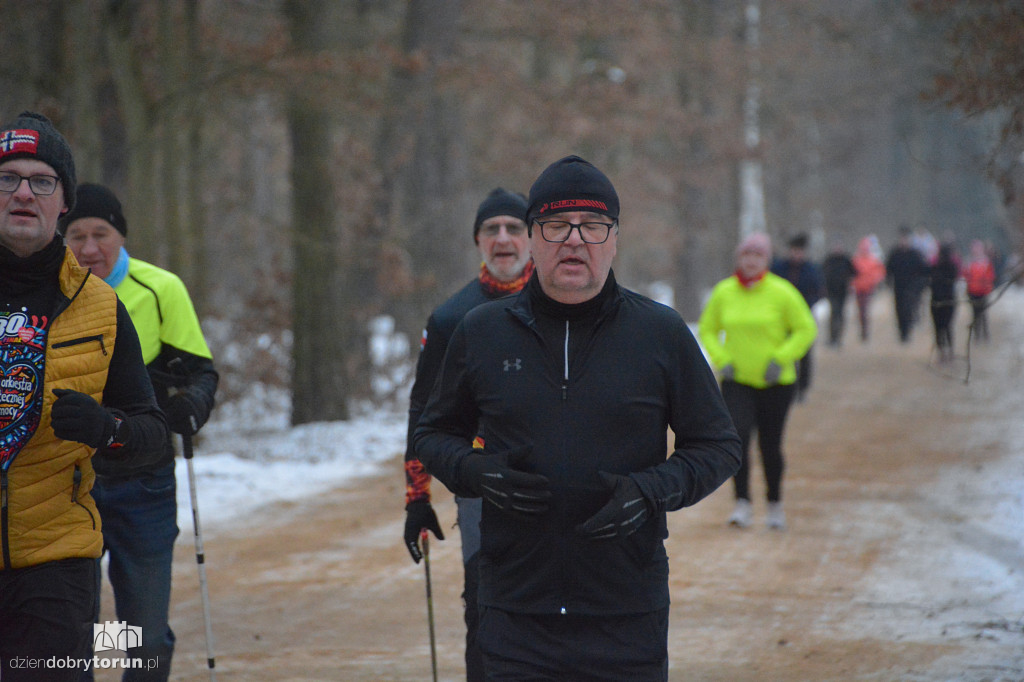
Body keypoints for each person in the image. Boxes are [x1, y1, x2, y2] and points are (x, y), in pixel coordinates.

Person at [414, 155, 741, 680]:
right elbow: (432, 434)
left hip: (626, 609)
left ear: (614, 239)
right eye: (555, 225)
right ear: (533, 240)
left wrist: (652, 489)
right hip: (514, 610)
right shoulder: (482, 331)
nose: (574, 240)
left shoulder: (659, 333)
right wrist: (475, 473)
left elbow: (718, 445)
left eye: (592, 226)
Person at [0, 111, 168, 681]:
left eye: (41, 180)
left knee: (110, 646)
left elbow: (151, 436)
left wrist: (106, 429)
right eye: (8, 178)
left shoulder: (102, 306)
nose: (23, 192)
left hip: (55, 563)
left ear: (62, 201)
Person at [60, 184, 218, 682]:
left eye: (100, 234)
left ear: (121, 236)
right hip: (65, 483)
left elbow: (201, 371)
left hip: (142, 480)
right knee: (66, 626)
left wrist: (191, 403)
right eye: (76, 235)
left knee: (143, 630)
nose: (89, 249)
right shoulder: (48, 292)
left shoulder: (159, 288)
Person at [402, 187, 532, 682]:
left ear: (533, 237)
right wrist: (417, 495)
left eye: (514, 228)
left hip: (566, 483)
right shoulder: (452, 317)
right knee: (486, 606)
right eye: (491, 229)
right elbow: (424, 411)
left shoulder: (568, 304)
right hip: (482, 487)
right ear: (477, 240)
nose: (503, 239)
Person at [698, 233, 817, 531]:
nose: (751, 261)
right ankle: (742, 503)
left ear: (766, 260)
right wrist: (721, 360)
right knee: (736, 440)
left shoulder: (782, 292)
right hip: (737, 380)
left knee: (770, 444)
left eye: (757, 256)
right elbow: (708, 329)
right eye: (746, 255)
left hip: (776, 382)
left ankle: (775, 504)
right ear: (738, 259)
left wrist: (782, 357)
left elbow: (805, 329)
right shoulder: (724, 292)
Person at [771, 233, 823, 398]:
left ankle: (803, 388)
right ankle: (789, 386)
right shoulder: (778, 267)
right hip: (781, 318)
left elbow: (819, 290)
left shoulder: (811, 269)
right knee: (786, 351)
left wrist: (807, 305)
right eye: (794, 251)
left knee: (805, 353)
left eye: (799, 251)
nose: (796, 254)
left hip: (804, 316)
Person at [885, 225, 930, 344]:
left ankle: (907, 332)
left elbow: (924, 271)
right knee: (899, 310)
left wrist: (921, 285)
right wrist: (888, 282)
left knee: (908, 309)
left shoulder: (915, 254)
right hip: (898, 286)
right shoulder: (894, 253)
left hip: (912, 288)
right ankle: (902, 331)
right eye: (902, 238)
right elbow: (888, 269)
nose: (904, 241)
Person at [928, 242, 959, 363]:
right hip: (949, 301)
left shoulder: (935, 267)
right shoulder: (952, 267)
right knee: (947, 326)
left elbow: (929, 282)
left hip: (936, 301)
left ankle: (942, 352)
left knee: (938, 327)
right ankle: (949, 351)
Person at [821, 240, 856, 347]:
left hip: (843, 292)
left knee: (840, 314)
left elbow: (854, 273)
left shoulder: (846, 260)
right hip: (831, 291)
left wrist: (849, 283)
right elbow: (821, 273)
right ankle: (832, 338)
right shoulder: (828, 260)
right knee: (833, 313)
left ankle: (838, 338)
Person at [851, 236, 886, 342]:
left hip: (868, 289)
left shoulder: (873, 260)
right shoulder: (856, 260)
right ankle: (863, 331)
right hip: (858, 289)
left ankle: (865, 332)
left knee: (864, 311)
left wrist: (874, 282)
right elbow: (851, 274)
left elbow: (880, 273)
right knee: (861, 311)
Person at [962, 239, 995, 343]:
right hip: (972, 291)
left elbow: (990, 276)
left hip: (983, 292)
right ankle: (977, 336)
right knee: (975, 314)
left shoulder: (986, 262)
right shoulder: (969, 261)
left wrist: (987, 287)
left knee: (983, 314)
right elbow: (965, 275)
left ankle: (985, 335)